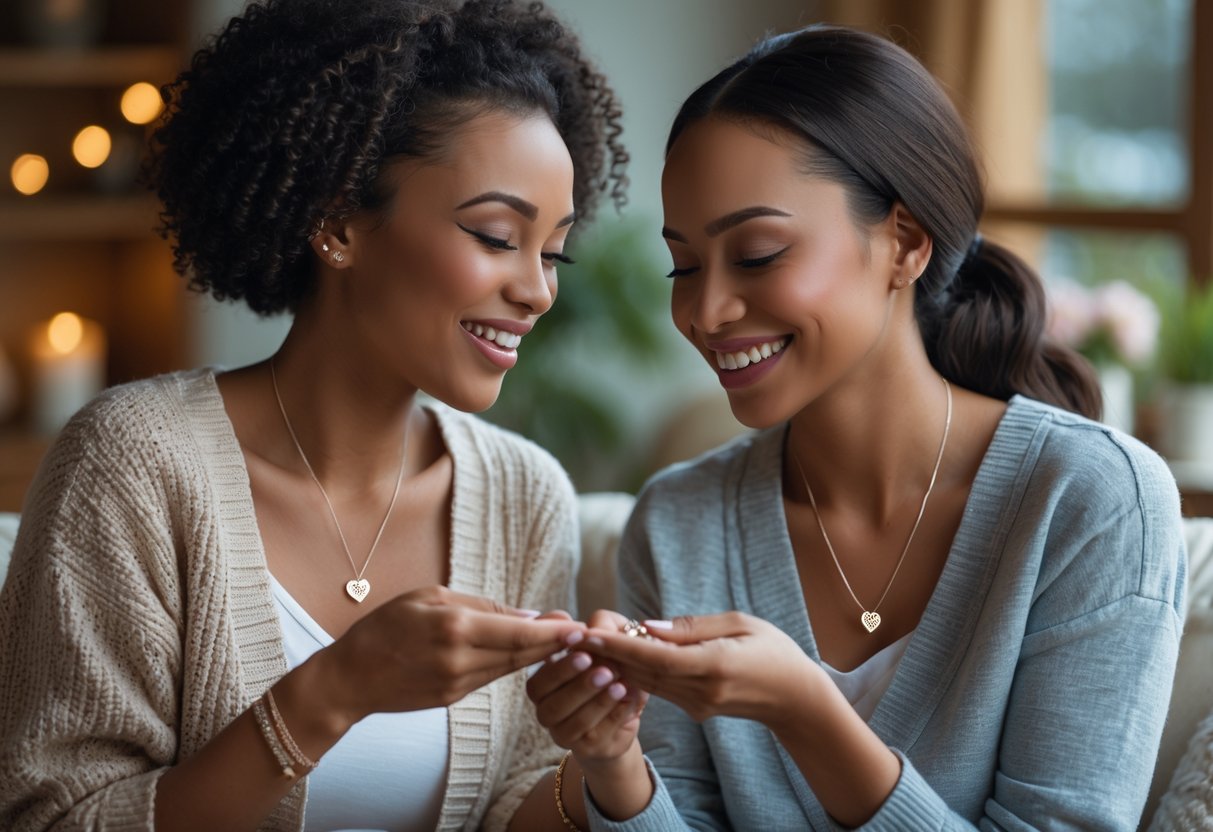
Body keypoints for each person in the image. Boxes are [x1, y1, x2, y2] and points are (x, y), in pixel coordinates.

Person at [525, 24, 1187, 831]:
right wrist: (612, 765)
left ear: (904, 243)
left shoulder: (1092, 501)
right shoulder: (678, 522)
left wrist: (806, 712)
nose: (703, 311)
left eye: (759, 252)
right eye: (685, 265)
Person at [0, 0, 630, 829]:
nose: (537, 290)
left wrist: (605, 764)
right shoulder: (132, 465)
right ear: (336, 222)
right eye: (494, 235)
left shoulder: (524, 493)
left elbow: (511, 801)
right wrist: (334, 690)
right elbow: (57, 817)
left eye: (553, 252)